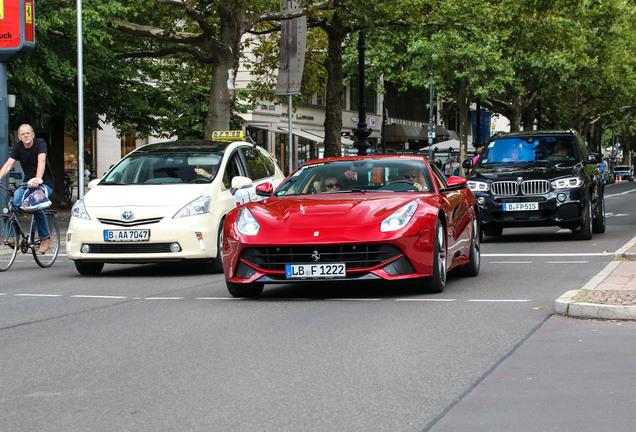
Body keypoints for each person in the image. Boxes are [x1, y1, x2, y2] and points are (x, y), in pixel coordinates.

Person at [0, 124, 55, 253]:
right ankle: (14, 237)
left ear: (33, 134)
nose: (26, 136)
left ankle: (45, 237)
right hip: (27, 183)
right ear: (19, 137)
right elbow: (8, 165)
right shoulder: (18, 147)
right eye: (23, 134)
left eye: (28, 133)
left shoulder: (40, 143)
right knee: (12, 204)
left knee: (35, 204)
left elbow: (41, 161)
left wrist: (37, 179)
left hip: (44, 182)